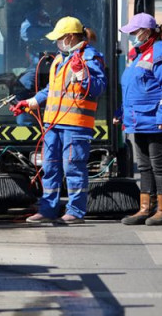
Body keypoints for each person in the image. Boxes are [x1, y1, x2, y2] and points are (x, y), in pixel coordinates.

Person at [11, 16, 107, 224]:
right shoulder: (60, 58)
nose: (56, 42)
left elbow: (98, 87)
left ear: (71, 37)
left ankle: (75, 211)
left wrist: (82, 74)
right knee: (50, 167)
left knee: (73, 168)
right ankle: (48, 209)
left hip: (75, 124)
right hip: (53, 124)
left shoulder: (90, 58)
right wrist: (30, 102)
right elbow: (51, 90)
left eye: (60, 38)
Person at [117, 13, 162, 226]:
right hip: (139, 119)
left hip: (156, 119)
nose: (133, 35)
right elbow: (131, 90)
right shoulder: (138, 55)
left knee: (159, 165)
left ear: (146, 31)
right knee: (144, 166)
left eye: (135, 32)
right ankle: (145, 208)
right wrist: (121, 114)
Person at [15, 0, 53, 125]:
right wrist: (47, 36)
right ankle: (26, 125)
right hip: (38, 64)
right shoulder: (33, 18)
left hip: (63, 64)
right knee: (23, 85)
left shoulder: (71, 12)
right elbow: (26, 33)